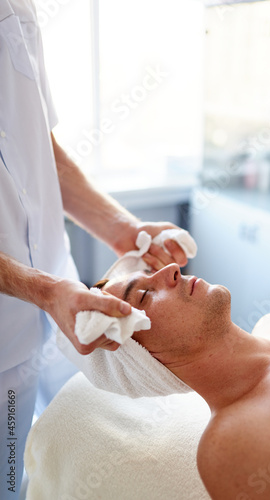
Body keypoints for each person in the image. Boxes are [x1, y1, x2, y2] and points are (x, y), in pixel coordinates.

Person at [0, 1, 187, 498]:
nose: (163, 277)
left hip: (62, 305)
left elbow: (39, 146)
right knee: (10, 477)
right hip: (5, 333)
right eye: (140, 296)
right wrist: (40, 289)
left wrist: (123, 229)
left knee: (65, 453)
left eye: (137, 294)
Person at [98, 263, 270, 499]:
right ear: (143, 360)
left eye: (150, 273)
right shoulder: (232, 444)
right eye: (145, 295)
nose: (172, 269)